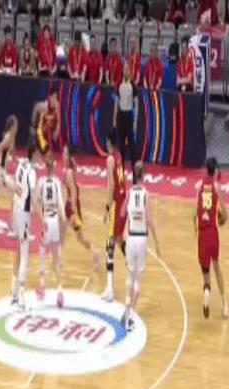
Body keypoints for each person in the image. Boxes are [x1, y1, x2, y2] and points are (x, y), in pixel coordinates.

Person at [121, 162, 160, 330]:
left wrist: (130, 216)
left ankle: (126, 306)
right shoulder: (146, 195)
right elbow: (150, 220)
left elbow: (122, 212)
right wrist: (157, 242)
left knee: (130, 274)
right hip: (142, 238)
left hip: (130, 238)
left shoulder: (130, 193)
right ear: (143, 175)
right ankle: (132, 313)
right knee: (138, 277)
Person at [194, 158, 229, 318]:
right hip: (213, 233)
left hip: (202, 234)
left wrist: (196, 229)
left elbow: (194, 214)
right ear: (214, 171)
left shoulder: (199, 186)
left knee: (206, 274)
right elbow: (225, 216)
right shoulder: (216, 187)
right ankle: (225, 305)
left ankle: (207, 293)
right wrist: (219, 221)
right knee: (217, 268)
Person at [35, 155, 66, 307]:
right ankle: (60, 290)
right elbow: (60, 205)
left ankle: (42, 284)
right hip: (55, 221)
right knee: (55, 258)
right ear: (53, 167)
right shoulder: (57, 182)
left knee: (41, 249)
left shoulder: (41, 182)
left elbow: (36, 202)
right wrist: (63, 221)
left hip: (47, 219)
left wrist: (42, 219)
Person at [61, 146, 100, 267]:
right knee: (79, 238)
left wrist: (75, 213)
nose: (62, 155)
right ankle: (95, 251)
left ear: (68, 156)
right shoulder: (71, 165)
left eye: (65, 153)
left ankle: (59, 259)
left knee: (61, 231)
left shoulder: (69, 172)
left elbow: (74, 192)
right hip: (71, 205)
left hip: (71, 207)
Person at [10, 144, 38, 308]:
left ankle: (13, 290)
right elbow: (33, 199)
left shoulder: (21, 163)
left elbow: (15, 187)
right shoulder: (32, 172)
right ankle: (21, 294)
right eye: (39, 153)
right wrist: (42, 217)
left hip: (16, 208)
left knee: (18, 249)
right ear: (34, 153)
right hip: (24, 215)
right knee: (25, 254)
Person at [101, 128, 127, 302]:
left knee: (109, 245)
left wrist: (106, 208)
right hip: (123, 202)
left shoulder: (110, 159)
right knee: (118, 239)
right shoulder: (119, 156)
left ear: (109, 142)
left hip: (117, 204)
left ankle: (110, 289)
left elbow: (111, 186)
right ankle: (132, 266)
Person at [113, 63, 139, 182]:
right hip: (121, 117)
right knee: (121, 150)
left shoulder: (133, 86)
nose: (125, 71)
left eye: (127, 69)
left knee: (132, 150)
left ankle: (135, 179)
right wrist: (114, 119)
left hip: (129, 116)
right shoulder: (119, 84)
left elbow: (136, 104)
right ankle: (120, 178)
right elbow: (116, 102)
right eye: (124, 69)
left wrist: (135, 121)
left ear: (130, 71)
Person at [31, 90, 61, 157]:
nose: (54, 100)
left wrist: (56, 131)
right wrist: (33, 125)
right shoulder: (44, 106)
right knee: (43, 152)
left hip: (47, 129)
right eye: (53, 97)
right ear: (49, 97)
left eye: (56, 98)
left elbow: (58, 122)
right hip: (39, 131)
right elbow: (36, 106)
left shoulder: (57, 106)